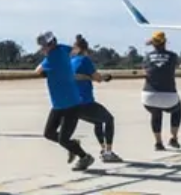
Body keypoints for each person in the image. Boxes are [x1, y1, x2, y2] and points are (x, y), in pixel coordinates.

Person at [34, 31, 96, 170]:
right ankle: (73, 145)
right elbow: (75, 50)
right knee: (49, 133)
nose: (42, 49)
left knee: (63, 139)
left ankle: (85, 157)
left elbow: (37, 71)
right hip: (58, 104)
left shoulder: (54, 56)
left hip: (71, 104)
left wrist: (47, 72)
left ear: (51, 44)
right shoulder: (62, 48)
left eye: (44, 46)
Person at [70, 34, 121, 162]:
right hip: (85, 102)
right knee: (109, 119)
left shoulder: (70, 62)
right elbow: (97, 78)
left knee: (98, 121)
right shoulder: (84, 60)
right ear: (86, 50)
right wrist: (106, 77)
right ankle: (108, 152)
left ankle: (103, 148)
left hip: (72, 104)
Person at [142, 31, 181, 149]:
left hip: (148, 95)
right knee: (177, 109)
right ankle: (174, 138)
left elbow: (145, 70)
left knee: (156, 112)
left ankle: (158, 142)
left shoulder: (147, 56)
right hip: (169, 95)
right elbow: (177, 65)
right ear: (165, 42)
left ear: (153, 44)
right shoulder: (173, 55)